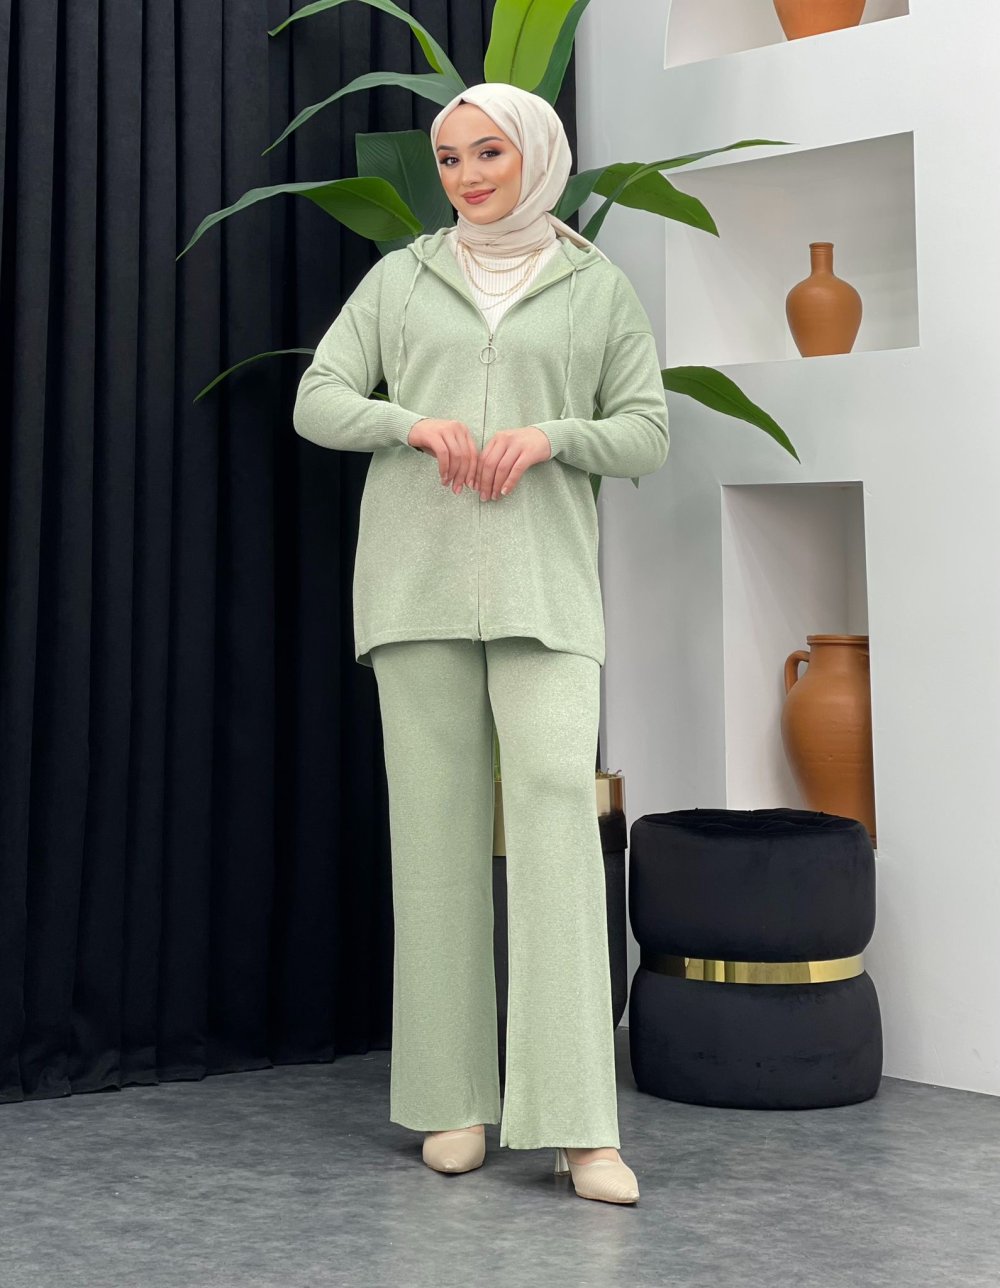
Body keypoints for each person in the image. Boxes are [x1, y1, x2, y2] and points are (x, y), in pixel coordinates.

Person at [293, 82, 669, 1205]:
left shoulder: (594, 286)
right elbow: (318, 398)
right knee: (434, 840)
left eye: (488, 153)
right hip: (413, 593)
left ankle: (580, 1127)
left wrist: (552, 437)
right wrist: (409, 423)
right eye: (450, 157)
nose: (465, 176)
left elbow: (647, 431)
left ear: (536, 157)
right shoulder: (402, 278)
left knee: (558, 829)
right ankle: (451, 1100)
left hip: (545, 595)